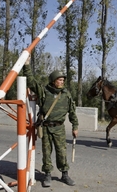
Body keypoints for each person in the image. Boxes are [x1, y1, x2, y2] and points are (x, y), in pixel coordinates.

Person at [23, 57, 78, 187]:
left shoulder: (66, 94)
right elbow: (31, 82)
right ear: (53, 81)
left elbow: (72, 112)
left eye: (63, 80)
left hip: (59, 128)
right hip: (46, 127)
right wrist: (26, 65)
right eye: (60, 79)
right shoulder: (44, 92)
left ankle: (65, 174)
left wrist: (75, 126)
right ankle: (47, 175)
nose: (62, 81)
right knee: (46, 152)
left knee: (61, 152)